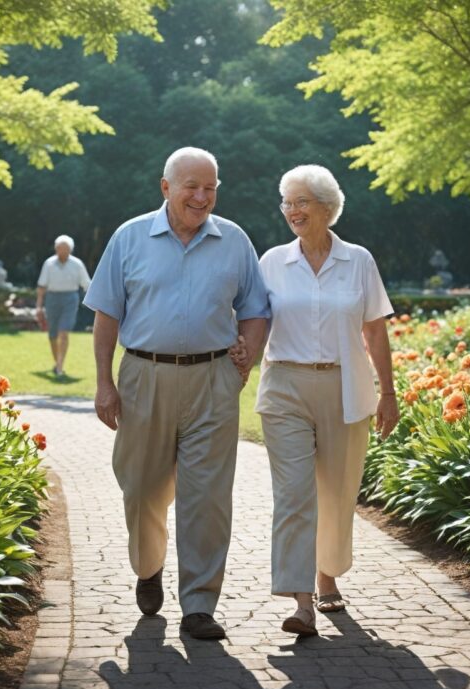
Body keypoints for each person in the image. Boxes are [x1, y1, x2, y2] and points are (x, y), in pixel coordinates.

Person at [83, 147, 269, 641]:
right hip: (145, 377)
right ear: (165, 187)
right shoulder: (129, 238)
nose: (202, 196)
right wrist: (105, 382)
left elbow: (256, 308)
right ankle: (148, 567)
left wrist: (243, 365)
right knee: (141, 488)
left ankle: (199, 604)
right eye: (192, 186)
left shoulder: (234, 240)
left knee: (207, 498)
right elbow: (106, 316)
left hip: (213, 379)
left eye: (210, 187)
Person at [248, 164, 399, 637]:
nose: (292, 211)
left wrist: (388, 394)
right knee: (294, 494)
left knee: (336, 493)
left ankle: (326, 574)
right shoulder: (271, 261)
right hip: (285, 388)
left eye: (301, 202)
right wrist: (236, 355)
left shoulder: (359, 261)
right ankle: (300, 600)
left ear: (327, 208)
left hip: (345, 388)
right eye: (286, 202)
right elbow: (254, 323)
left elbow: (375, 328)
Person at [36, 235, 91, 377]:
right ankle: (57, 362)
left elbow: (86, 284)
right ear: (56, 249)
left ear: (70, 250)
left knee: (64, 332)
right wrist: (38, 306)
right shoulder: (48, 263)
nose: (63, 251)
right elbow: (42, 287)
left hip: (70, 299)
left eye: (66, 248)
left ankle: (60, 366)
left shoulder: (77, 264)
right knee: (53, 334)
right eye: (60, 248)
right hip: (52, 298)